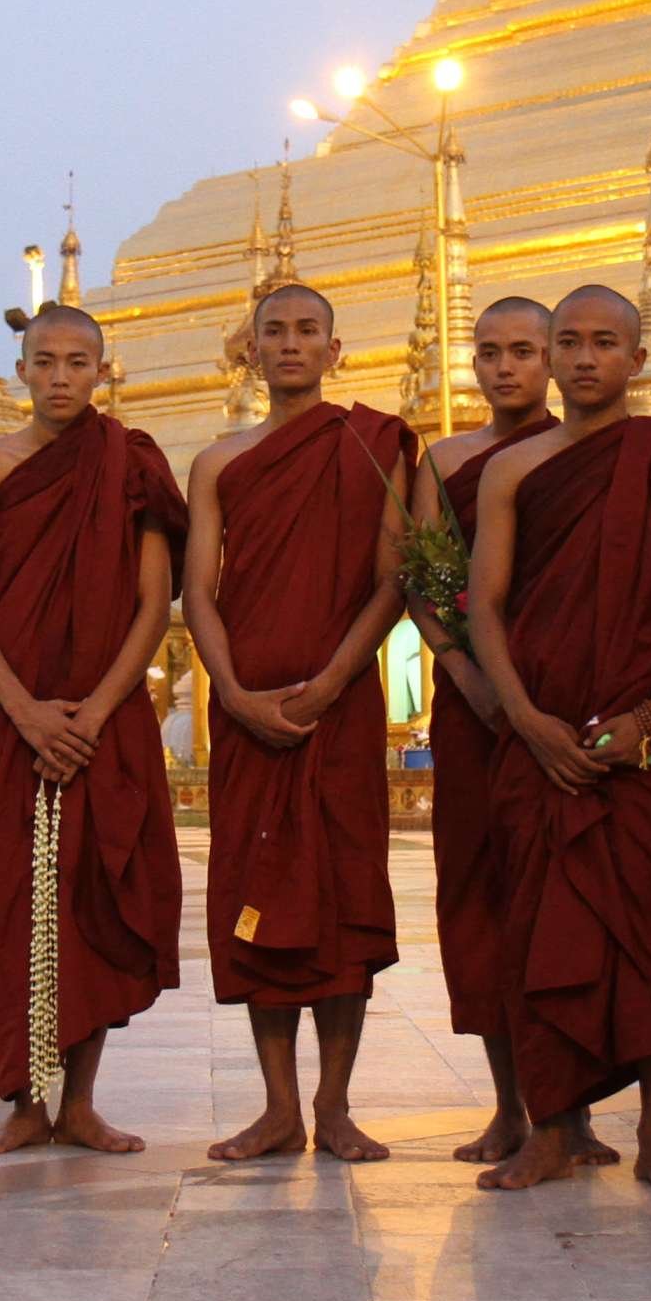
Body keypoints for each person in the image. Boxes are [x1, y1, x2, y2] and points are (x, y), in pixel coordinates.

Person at [464, 287, 651, 1194]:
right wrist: (527, 719)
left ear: (638, 358)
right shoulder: (513, 470)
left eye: (604, 343)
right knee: (539, 932)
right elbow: (482, 608)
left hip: (642, 739)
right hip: (540, 740)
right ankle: (554, 1129)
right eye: (568, 342)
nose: (583, 359)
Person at [0, 305, 187, 1156]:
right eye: (44, 361)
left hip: (104, 719)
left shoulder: (132, 466)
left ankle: (79, 1102)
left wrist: (96, 705)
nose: (60, 376)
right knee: (6, 902)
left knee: (94, 901)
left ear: (100, 371)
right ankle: (21, 1101)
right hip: (8, 718)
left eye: (77, 361)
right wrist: (24, 708)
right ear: (21, 370)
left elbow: (156, 604)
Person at [182, 281, 413, 1162]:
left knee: (342, 898)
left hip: (339, 709)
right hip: (247, 712)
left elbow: (393, 577)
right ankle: (278, 1106)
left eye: (306, 330)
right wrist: (233, 691)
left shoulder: (371, 441)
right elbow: (199, 588)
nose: (289, 344)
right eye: (273, 331)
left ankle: (335, 1104)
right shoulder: (218, 461)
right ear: (251, 348)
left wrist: (333, 680)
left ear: (335, 348)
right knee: (258, 893)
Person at [409, 297, 559, 1165]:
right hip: (474, 709)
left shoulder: (583, 454)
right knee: (481, 899)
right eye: (489, 352)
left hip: (561, 701)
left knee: (562, 902)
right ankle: (509, 1105)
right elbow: (422, 579)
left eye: (522, 352)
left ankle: (565, 1108)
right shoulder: (447, 457)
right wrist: (464, 670)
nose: (505, 368)